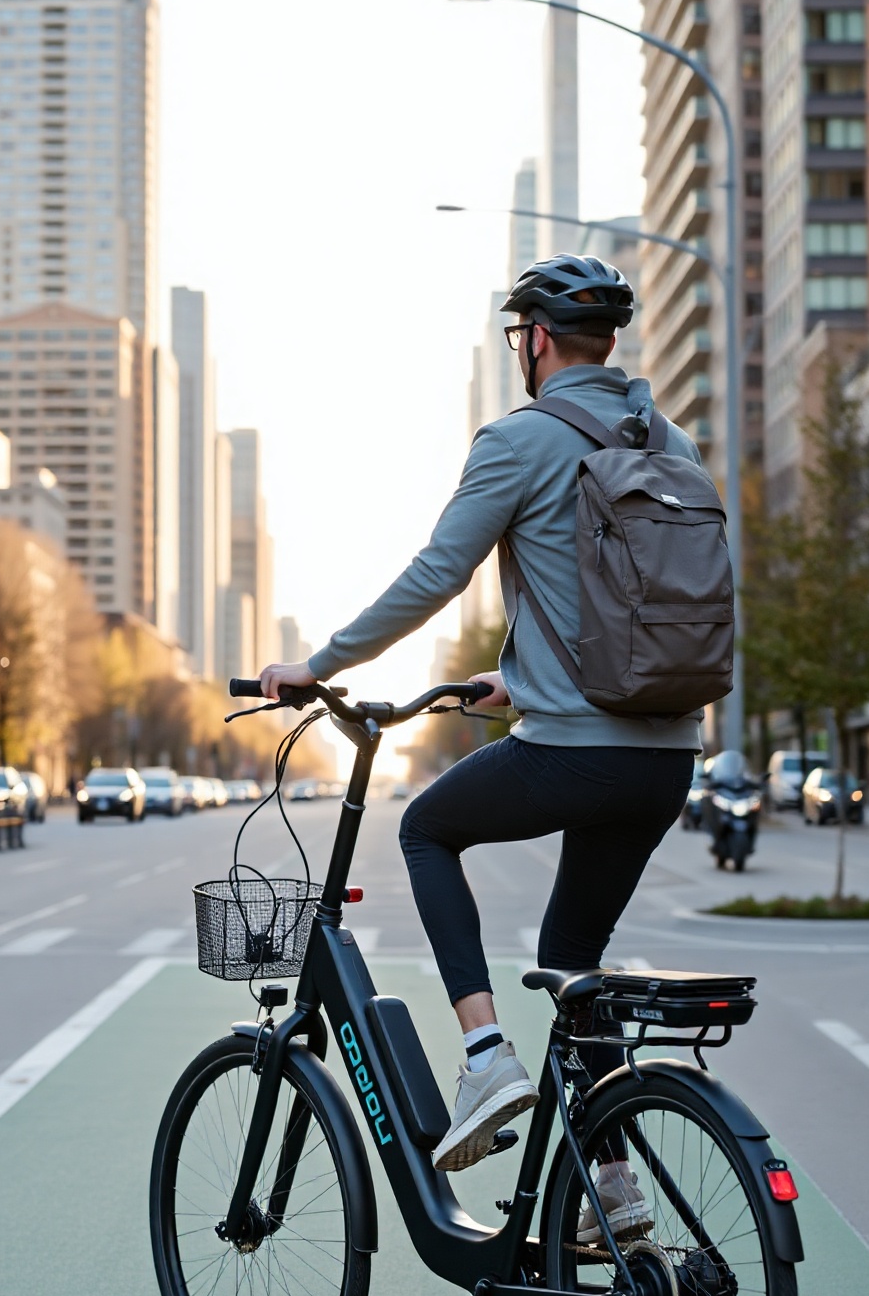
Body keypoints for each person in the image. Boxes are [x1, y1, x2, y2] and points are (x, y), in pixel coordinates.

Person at [260, 253, 713, 1230]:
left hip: (574, 752)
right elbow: (651, 601)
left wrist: (319, 664)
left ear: (536, 340)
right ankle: (610, 1188)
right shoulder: (671, 441)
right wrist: (527, 677)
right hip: (665, 758)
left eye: (522, 337)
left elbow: (437, 573)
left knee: (426, 829)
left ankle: (484, 1059)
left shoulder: (520, 439)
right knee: (571, 960)